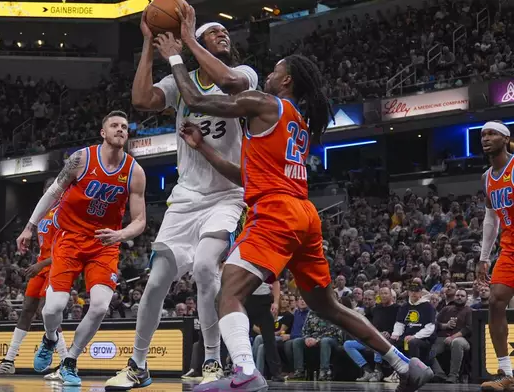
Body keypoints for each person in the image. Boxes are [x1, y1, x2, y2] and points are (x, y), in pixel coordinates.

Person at [169, 47, 433, 392]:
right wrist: (203, 147)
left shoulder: (264, 102)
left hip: (275, 212)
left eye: (275, 71)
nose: (269, 75)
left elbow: (194, 99)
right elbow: (246, 176)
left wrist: (177, 55)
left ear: (287, 80)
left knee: (228, 292)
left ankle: (245, 372)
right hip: (303, 214)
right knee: (328, 306)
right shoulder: (297, 121)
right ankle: (404, 363)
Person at [105, 4, 258, 390]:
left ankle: (211, 360)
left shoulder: (244, 75)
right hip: (186, 197)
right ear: (196, 43)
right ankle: (138, 365)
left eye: (224, 33)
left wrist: (187, 40)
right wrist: (146, 43)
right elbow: (141, 99)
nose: (222, 34)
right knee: (156, 282)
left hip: (228, 195)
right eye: (212, 32)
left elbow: (227, 81)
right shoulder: (180, 80)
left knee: (207, 267)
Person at [17, 110, 146, 387]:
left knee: (100, 306)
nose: (121, 130)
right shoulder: (81, 159)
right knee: (53, 308)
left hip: (104, 243)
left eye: (124, 126)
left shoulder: (135, 171)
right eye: (114, 125)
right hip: (70, 238)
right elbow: (53, 193)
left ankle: (70, 360)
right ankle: (50, 338)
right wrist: (30, 225)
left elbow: (140, 221)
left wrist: (121, 234)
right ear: (103, 132)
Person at [0, 178, 67, 380]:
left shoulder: (66, 212)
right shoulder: (42, 215)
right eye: (48, 188)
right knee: (26, 310)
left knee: (48, 314)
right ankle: (8, 362)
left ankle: (66, 365)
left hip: (57, 267)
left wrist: (40, 264)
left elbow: (66, 251)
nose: (52, 191)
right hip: (42, 265)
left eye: (55, 187)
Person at [478, 120, 514, 390]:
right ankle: (507, 374)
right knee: (495, 301)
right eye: (483, 135)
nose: (485, 138)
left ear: (506, 138)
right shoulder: (487, 177)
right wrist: (484, 256)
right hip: (509, 245)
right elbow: (491, 218)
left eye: (492, 133)